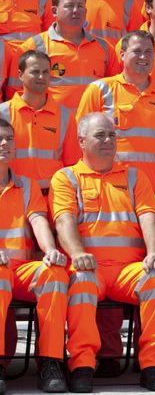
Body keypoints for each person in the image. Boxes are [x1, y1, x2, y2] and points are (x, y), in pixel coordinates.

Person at [50, 112, 155, 392]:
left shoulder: (134, 176)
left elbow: (149, 217)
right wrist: (78, 253)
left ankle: (153, 365)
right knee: (81, 284)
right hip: (89, 268)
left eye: (112, 135)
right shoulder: (66, 178)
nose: (108, 140)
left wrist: (154, 252)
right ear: (81, 141)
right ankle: (82, 365)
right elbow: (63, 220)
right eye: (100, 135)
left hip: (128, 271)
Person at [0, 118, 70, 393]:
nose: (5, 144)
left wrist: (51, 250)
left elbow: (38, 220)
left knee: (54, 273)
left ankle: (51, 361)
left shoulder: (27, 185)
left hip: (20, 270)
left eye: (9, 139)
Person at [77, 30, 155, 192]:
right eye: (137, 51)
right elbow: (82, 141)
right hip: (111, 187)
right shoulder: (99, 90)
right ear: (122, 55)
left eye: (148, 52)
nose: (143, 57)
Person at [8, 0, 120, 110]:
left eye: (80, 6)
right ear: (54, 11)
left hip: (92, 124)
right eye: (69, 6)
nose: (76, 10)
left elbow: (114, 90)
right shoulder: (33, 47)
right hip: (53, 124)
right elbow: (15, 91)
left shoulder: (104, 48)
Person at [0, 50, 80, 194]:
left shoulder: (65, 116)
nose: (41, 77)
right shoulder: (3, 113)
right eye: (35, 72)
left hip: (51, 197)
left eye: (46, 72)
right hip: (10, 195)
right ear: (20, 75)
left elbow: (72, 165)